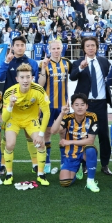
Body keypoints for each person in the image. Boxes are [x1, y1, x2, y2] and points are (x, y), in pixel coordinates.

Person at [0, 35, 40, 174]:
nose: (20, 47)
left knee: (29, 135)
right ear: (12, 47)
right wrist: (6, 63)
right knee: (7, 137)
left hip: (28, 106)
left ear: (25, 47)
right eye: (17, 45)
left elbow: (36, 84)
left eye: (22, 45)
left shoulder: (32, 63)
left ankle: (35, 164)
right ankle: (3, 164)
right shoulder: (8, 61)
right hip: (10, 105)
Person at [69, 36, 112, 176]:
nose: (90, 48)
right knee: (83, 134)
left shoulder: (104, 61)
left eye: (93, 45)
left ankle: (105, 164)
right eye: (87, 46)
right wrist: (81, 68)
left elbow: (111, 77)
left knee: (104, 135)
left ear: (97, 47)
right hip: (84, 104)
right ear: (83, 48)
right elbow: (72, 77)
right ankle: (84, 164)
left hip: (100, 103)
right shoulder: (77, 62)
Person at [2, 63, 51, 186]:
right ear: (17, 79)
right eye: (22, 77)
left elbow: (46, 113)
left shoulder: (38, 90)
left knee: (40, 143)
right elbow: (4, 118)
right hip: (14, 120)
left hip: (31, 120)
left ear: (32, 78)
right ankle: (9, 173)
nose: (25, 80)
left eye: (28, 77)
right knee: (10, 144)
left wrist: (41, 134)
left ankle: (41, 174)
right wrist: (11, 105)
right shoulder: (9, 93)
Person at [50, 93, 100, 192]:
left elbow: (90, 140)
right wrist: (61, 114)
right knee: (65, 182)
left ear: (87, 106)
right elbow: (53, 131)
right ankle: (78, 168)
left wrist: (69, 142)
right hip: (71, 153)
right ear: (72, 106)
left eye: (82, 104)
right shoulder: (68, 117)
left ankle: (90, 181)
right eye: (76, 105)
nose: (79, 107)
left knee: (90, 149)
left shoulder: (92, 117)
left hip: (85, 152)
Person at [37, 40, 72, 174]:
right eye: (54, 48)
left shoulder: (67, 63)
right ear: (49, 49)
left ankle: (63, 161)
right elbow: (40, 84)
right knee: (47, 133)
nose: (56, 50)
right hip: (47, 106)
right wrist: (43, 69)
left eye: (58, 48)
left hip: (63, 105)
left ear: (62, 49)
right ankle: (47, 162)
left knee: (63, 133)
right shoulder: (43, 63)